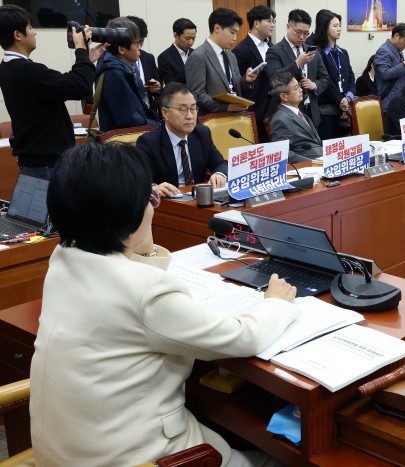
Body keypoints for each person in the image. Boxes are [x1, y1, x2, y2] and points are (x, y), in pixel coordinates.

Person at [30, 141, 299, 466]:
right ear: (127, 212)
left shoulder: (63, 257)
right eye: (149, 197)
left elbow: (130, 285)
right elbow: (245, 338)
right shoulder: (146, 292)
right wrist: (276, 303)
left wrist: (136, 243)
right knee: (279, 460)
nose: (153, 206)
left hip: (66, 451)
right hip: (133, 458)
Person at [0, 4, 105, 177]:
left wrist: (86, 60)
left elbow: (62, 86)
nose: (35, 32)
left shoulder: (8, 67)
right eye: (30, 27)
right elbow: (79, 86)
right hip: (47, 166)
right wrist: (80, 48)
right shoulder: (26, 70)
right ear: (17, 35)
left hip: (36, 162)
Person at [136, 83, 228, 197]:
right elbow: (138, 180)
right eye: (182, 109)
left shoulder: (202, 134)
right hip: (169, 201)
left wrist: (219, 174)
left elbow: (221, 163)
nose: (190, 116)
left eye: (193, 108)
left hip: (198, 198)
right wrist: (154, 187)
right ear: (165, 113)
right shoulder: (149, 142)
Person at [186, 8, 259, 116]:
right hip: (212, 120)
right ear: (217, 28)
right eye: (232, 32)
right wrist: (226, 107)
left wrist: (247, 81)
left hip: (235, 117)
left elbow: (235, 87)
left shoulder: (231, 56)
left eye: (236, 33)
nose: (235, 38)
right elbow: (196, 95)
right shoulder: (198, 56)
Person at [265, 9, 330, 128]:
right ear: (288, 27)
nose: (302, 37)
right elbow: (274, 78)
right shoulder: (274, 51)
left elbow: (325, 78)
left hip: (312, 112)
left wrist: (314, 85)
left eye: (306, 33)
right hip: (287, 116)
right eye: (298, 32)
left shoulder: (312, 51)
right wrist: (297, 63)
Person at [95, 17, 160, 132]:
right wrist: (160, 127)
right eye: (136, 43)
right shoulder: (114, 72)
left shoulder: (120, 66)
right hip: (123, 139)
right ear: (121, 49)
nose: (140, 48)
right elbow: (130, 120)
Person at [233, 5, 276, 141]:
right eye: (269, 21)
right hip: (255, 111)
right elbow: (237, 84)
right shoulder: (241, 50)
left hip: (274, 109)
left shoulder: (272, 46)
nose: (273, 25)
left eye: (273, 21)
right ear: (256, 23)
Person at [313, 10, 355, 139]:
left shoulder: (343, 52)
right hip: (326, 110)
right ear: (325, 28)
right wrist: (340, 101)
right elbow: (325, 81)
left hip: (343, 109)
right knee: (326, 146)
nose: (339, 29)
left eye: (339, 25)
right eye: (335, 26)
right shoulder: (318, 52)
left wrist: (347, 99)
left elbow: (351, 78)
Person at [269, 71, 322, 163]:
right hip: (309, 165)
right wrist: (313, 163)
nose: (301, 90)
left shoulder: (299, 113)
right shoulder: (280, 119)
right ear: (284, 96)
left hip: (321, 159)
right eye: (296, 88)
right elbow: (282, 153)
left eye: (299, 86)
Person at [375, 23, 405, 112]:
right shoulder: (383, 51)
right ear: (396, 36)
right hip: (388, 102)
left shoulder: (398, 50)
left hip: (400, 100)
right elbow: (385, 74)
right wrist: (404, 65)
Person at [127, 16, 162, 115]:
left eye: (141, 41)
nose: (139, 46)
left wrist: (157, 88)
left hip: (149, 113)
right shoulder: (116, 61)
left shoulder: (148, 58)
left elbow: (159, 88)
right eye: (136, 42)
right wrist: (141, 88)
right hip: (129, 114)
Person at [158, 18, 197, 86]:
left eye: (193, 38)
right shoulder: (164, 57)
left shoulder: (196, 53)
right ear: (176, 35)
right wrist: (189, 68)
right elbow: (170, 84)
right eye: (187, 38)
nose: (191, 42)